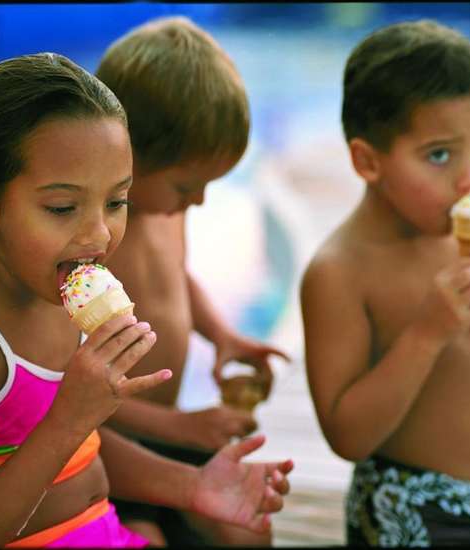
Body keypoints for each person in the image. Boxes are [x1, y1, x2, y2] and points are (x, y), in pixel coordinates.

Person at [0, 51, 294, 548]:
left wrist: (195, 487)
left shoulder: (58, 305)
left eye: (117, 201)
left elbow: (84, 451)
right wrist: (71, 418)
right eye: (62, 207)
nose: (99, 233)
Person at [300, 19, 470, 547]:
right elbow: (347, 435)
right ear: (367, 161)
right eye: (441, 154)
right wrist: (428, 333)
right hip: (405, 511)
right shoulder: (340, 271)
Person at [94, 16, 291, 546]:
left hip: (167, 429)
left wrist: (222, 335)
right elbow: (70, 388)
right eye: (189, 185)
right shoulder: (95, 239)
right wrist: (185, 428)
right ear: (129, 154)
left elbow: (175, 277)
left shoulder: (166, 209)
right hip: (106, 444)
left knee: (248, 530)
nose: (199, 200)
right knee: (141, 537)